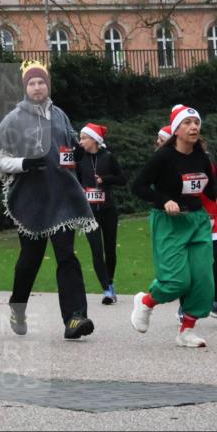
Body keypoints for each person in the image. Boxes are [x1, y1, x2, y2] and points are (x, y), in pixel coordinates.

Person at [0, 60, 97, 340]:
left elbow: (68, 146)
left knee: (66, 256)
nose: (37, 87)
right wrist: (23, 163)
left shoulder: (59, 115)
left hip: (62, 198)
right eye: (32, 83)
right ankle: (17, 305)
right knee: (30, 259)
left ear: (48, 85)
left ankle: (75, 318)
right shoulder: (14, 119)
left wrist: (78, 151)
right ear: (25, 88)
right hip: (31, 199)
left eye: (41, 82)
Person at [130, 105, 217, 347]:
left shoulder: (202, 157)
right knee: (177, 281)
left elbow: (207, 185)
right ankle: (145, 302)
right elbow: (139, 186)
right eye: (187, 123)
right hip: (169, 223)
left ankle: (186, 330)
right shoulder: (163, 157)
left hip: (197, 221)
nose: (194, 127)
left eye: (196, 122)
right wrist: (164, 200)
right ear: (176, 129)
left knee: (204, 280)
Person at [75, 122, 126, 305]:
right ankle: (107, 289)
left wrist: (105, 179)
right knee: (96, 250)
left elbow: (122, 179)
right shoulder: (80, 158)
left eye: (84, 138)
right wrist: (80, 188)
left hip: (108, 210)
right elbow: (75, 178)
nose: (81, 142)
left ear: (94, 139)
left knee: (110, 249)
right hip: (89, 213)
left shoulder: (108, 157)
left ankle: (110, 281)